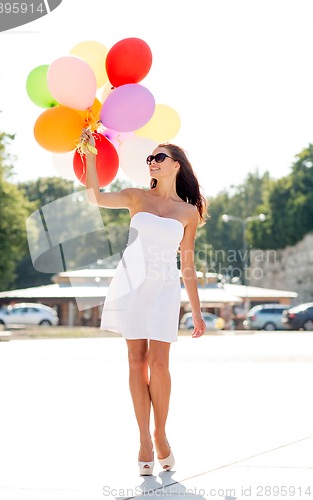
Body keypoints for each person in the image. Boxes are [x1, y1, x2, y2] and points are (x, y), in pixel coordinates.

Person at [80, 129, 208, 476]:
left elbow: (187, 264)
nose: (151, 162)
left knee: (160, 364)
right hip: (131, 283)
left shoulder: (188, 212)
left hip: (165, 289)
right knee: (136, 362)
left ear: (177, 165)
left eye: (158, 157)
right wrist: (90, 154)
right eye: (149, 158)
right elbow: (94, 197)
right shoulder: (135, 196)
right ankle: (144, 442)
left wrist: (196, 311)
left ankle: (161, 434)